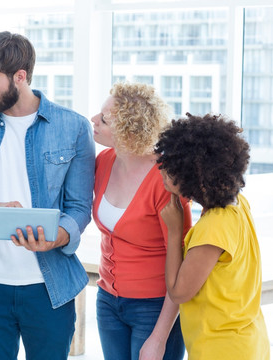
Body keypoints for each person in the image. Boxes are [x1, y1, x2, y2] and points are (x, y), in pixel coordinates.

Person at [0, 31, 95, 360]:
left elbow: (80, 206)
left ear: (20, 76)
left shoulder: (73, 128)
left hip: (49, 286)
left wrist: (56, 236)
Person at [156, 113, 270, 360]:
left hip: (222, 349)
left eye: (172, 169)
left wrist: (176, 231)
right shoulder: (239, 205)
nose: (162, 171)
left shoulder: (212, 228)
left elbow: (178, 292)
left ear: (196, 180)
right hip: (247, 340)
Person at [91, 82, 191, 360]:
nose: (94, 121)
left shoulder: (166, 180)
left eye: (105, 119)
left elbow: (183, 262)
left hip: (156, 306)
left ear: (129, 131)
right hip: (108, 300)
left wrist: (159, 338)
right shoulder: (104, 161)